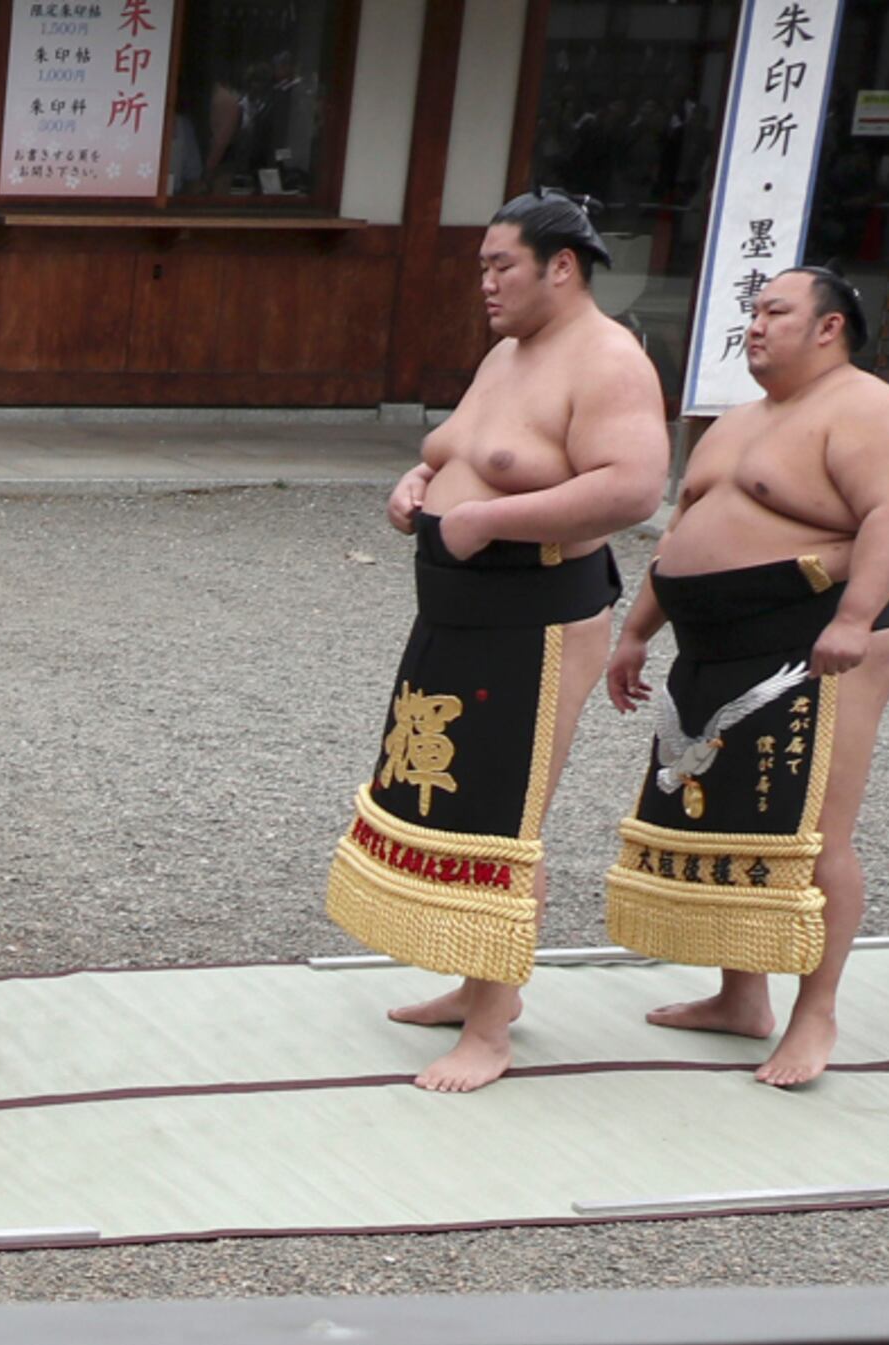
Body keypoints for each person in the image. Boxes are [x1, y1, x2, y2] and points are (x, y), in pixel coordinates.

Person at [331, 189, 667, 1090]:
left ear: (562, 266)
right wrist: (418, 482)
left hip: (538, 618)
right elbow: (461, 452)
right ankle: (481, 987)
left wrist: (490, 520)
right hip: (454, 611)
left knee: (507, 815)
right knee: (453, 798)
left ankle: (491, 1030)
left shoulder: (608, 360)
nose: (485, 281)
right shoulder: (512, 352)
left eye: (500, 264)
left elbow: (634, 487)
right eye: (483, 265)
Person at [600, 265, 889, 1088]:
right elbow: (683, 530)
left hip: (816, 634)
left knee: (815, 832)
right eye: (753, 311)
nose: (756, 324)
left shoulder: (872, 411)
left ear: (830, 328)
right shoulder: (735, 422)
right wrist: (638, 629)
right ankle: (742, 997)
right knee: (728, 818)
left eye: (776, 311)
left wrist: (853, 618)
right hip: (712, 641)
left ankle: (816, 1014)